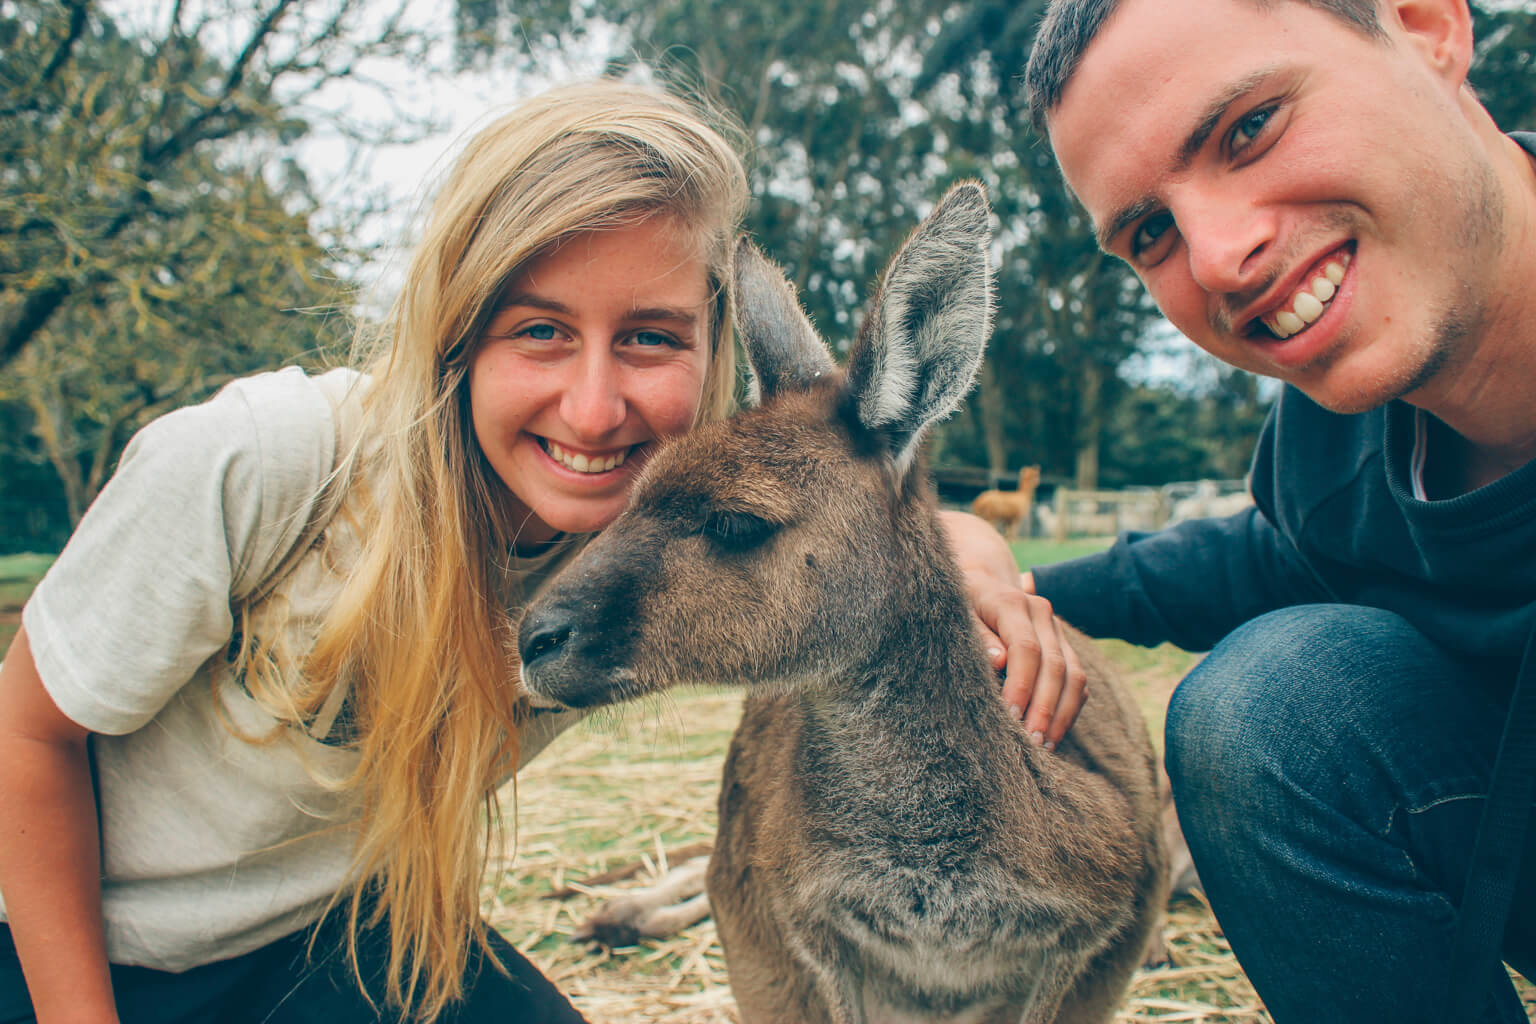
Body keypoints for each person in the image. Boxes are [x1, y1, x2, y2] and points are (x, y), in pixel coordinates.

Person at [0, 78, 1081, 1024]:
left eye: (651, 336)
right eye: (540, 330)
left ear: (713, 350)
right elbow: (29, 736)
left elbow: (837, 536)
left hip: (322, 941)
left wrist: (976, 566)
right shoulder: (269, 464)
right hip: (58, 939)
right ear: (458, 333)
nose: (597, 405)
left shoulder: (639, 521)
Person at [996, 0, 1536, 1021]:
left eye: (1249, 127)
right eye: (1151, 231)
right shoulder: (1331, 452)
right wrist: (991, 576)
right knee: (1273, 706)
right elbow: (1259, 562)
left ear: (1426, 27)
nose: (1216, 260)